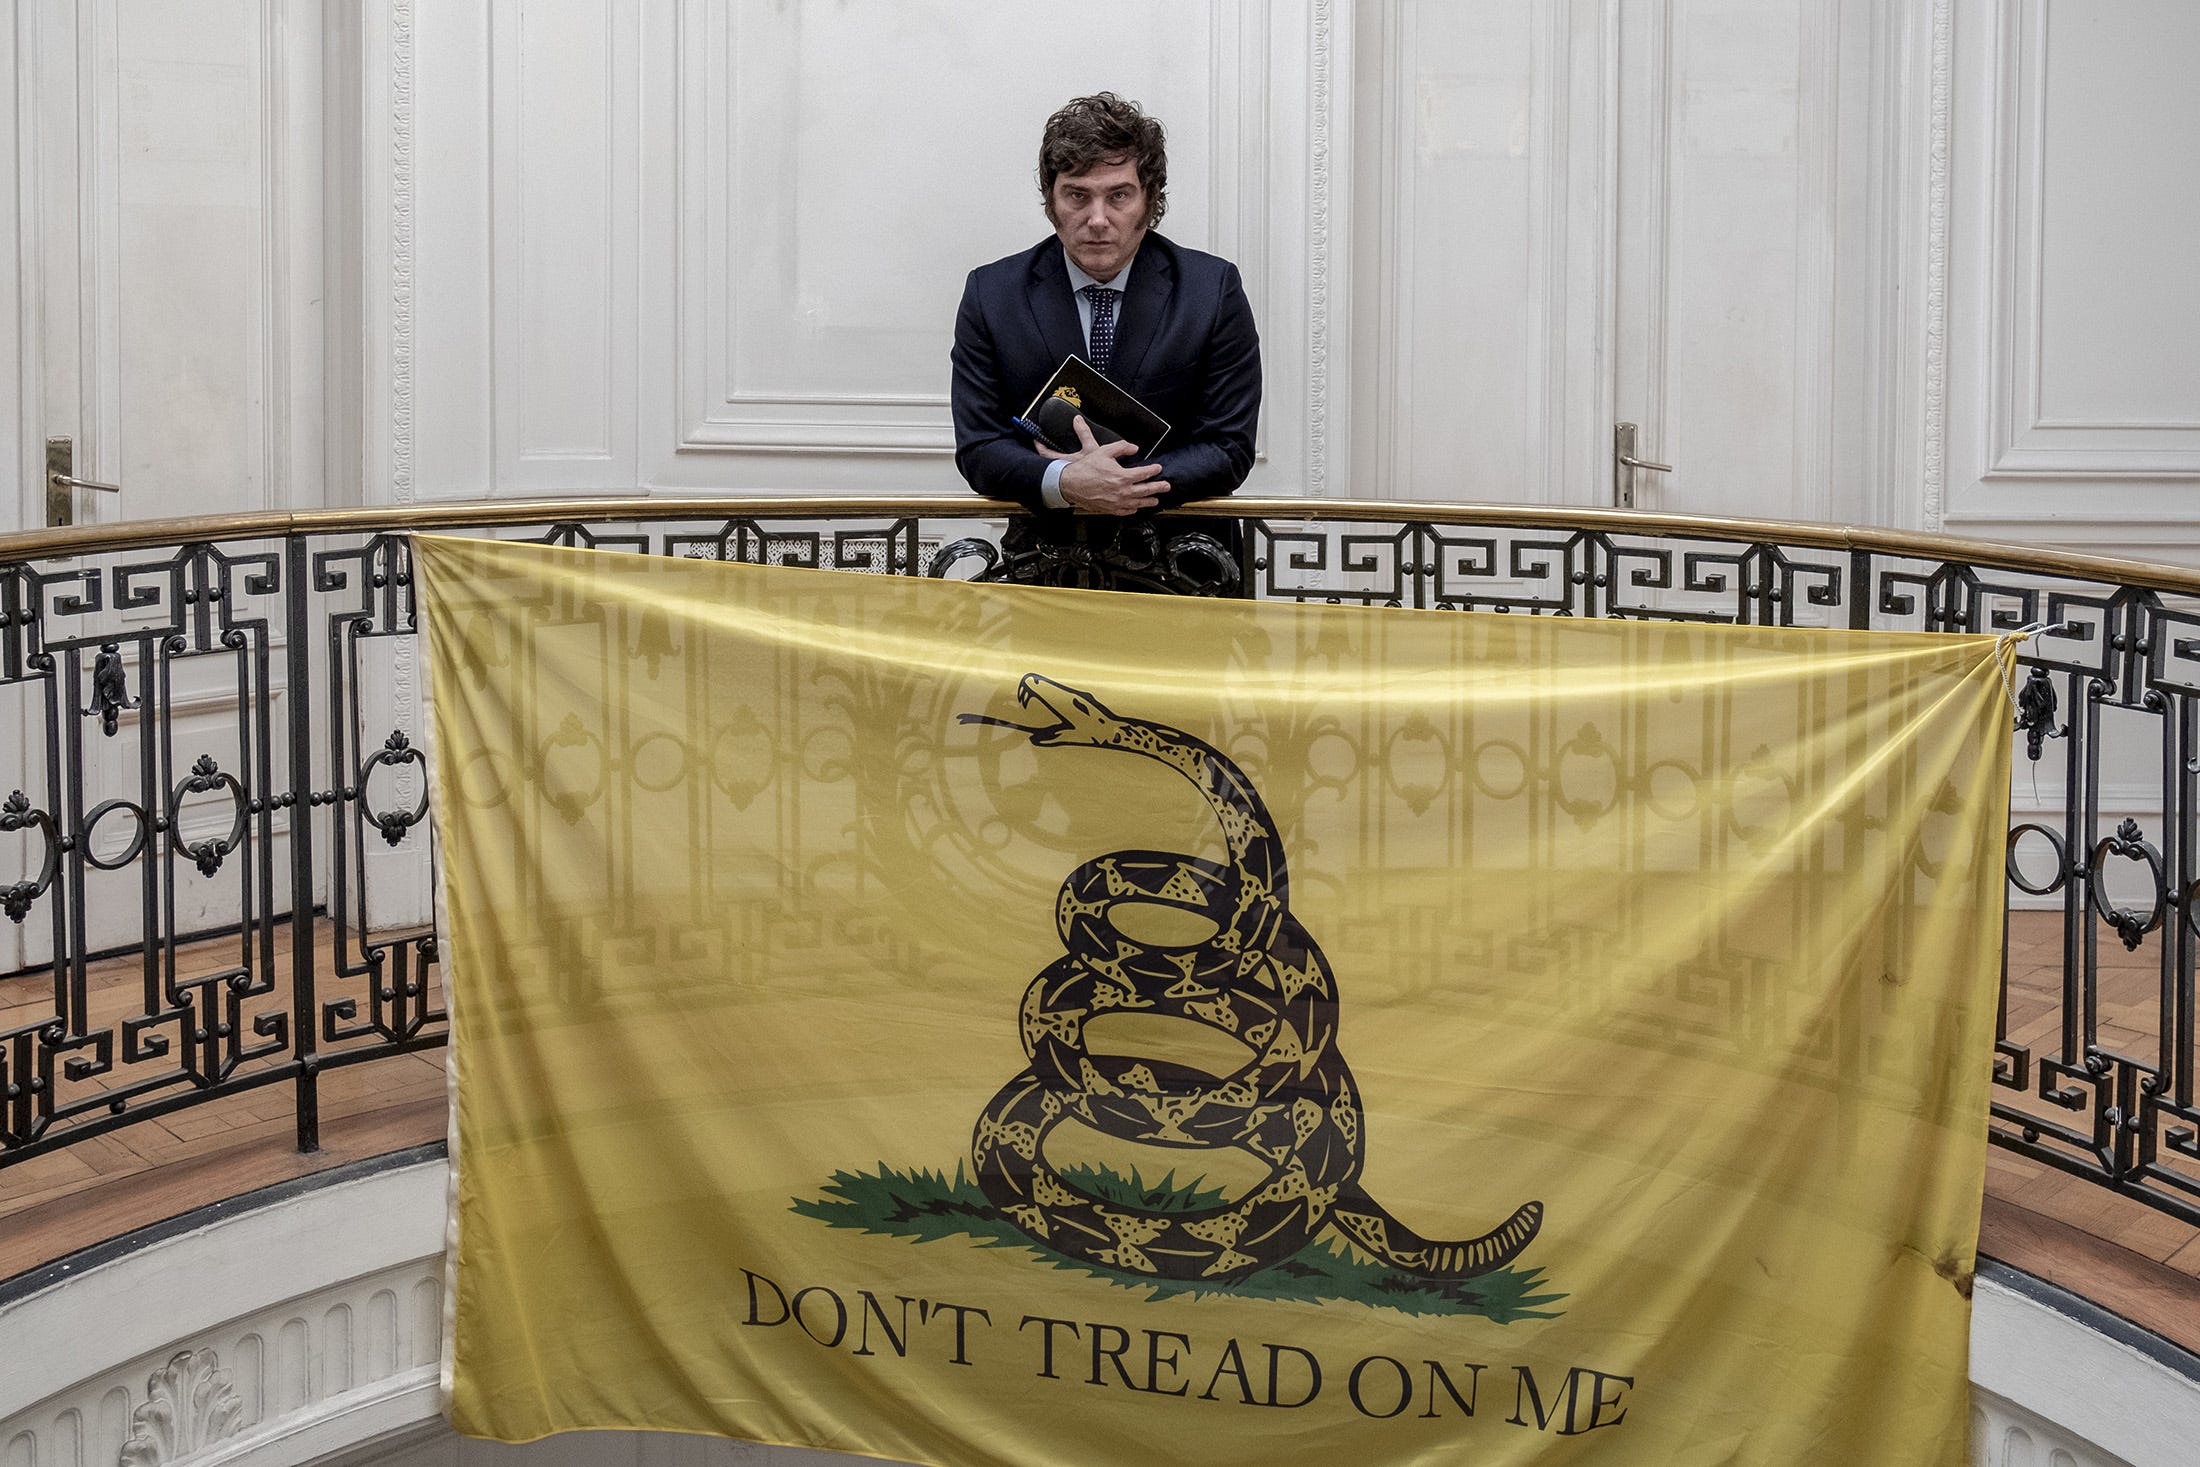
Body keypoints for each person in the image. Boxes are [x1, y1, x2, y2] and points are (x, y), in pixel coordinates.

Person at [949, 93, 1261, 591]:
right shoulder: (992, 294)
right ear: (1051, 201)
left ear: (1149, 200)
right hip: (1045, 572)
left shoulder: (1212, 289)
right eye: (1077, 196)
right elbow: (980, 447)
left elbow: (1228, 448)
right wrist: (1065, 483)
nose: (1097, 218)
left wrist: (1115, 483)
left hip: (1187, 570)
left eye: (1118, 196)